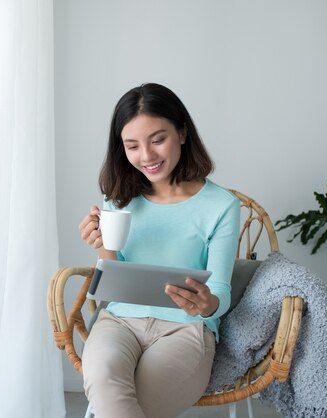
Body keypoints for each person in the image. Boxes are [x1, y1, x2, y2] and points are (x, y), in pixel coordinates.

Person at [78, 83, 240, 418]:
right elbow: (114, 280)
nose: (147, 156)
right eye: (132, 146)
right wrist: (103, 247)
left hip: (186, 329)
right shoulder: (119, 198)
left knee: (121, 405)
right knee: (105, 379)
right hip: (118, 321)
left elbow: (220, 293)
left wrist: (206, 303)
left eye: (157, 139)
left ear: (182, 133)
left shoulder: (221, 206)